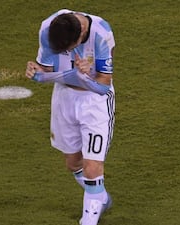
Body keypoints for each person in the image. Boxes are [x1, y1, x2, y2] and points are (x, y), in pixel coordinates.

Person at [25, 9, 115, 225]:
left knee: (92, 167)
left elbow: (104, 82)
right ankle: (100, 196)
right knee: (74, 163)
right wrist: (36, 71)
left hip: (94, 103)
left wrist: (90, 71)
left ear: (81, 33)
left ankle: (88, 220)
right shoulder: (49, 28)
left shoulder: (101, 33)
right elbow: (47, 67)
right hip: (64, 98)